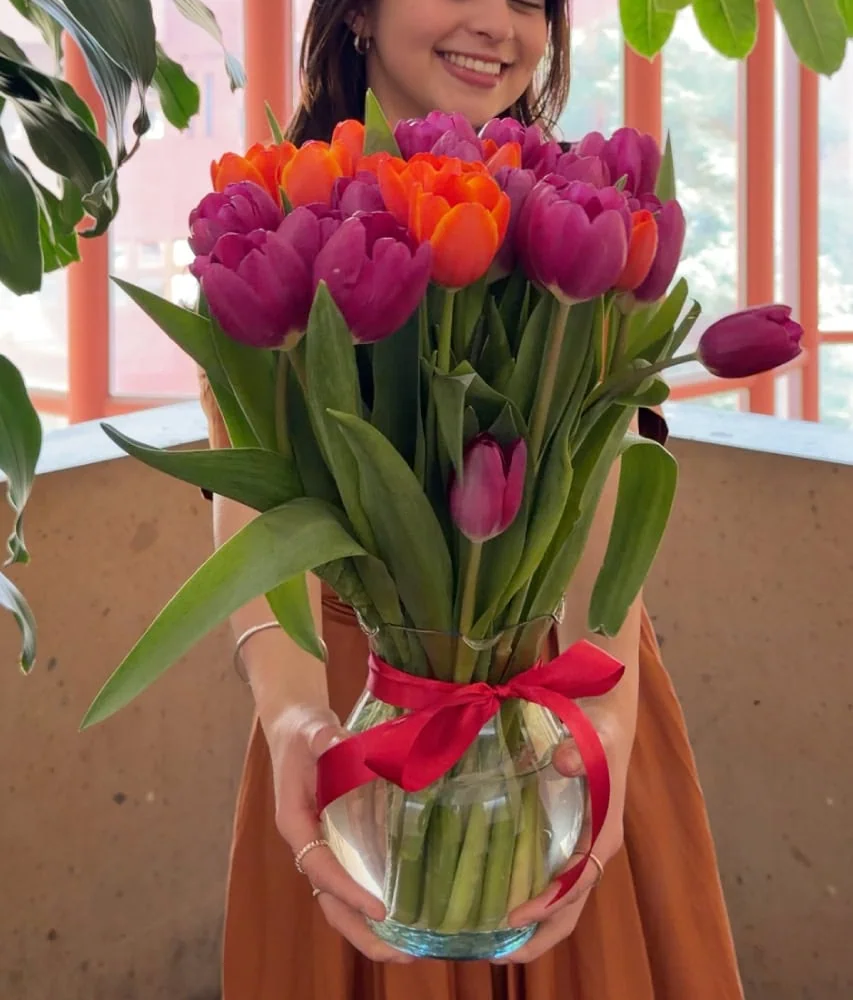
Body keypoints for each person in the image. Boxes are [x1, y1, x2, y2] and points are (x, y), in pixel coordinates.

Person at [199, 1, 745, 996]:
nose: (498, 23)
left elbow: (601, 485)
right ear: (356, 11)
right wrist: (292, 716)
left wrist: (608, 725)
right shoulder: (275, 210)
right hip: (357, 711)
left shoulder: (576, 200)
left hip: (565, 702)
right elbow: (255, 489)